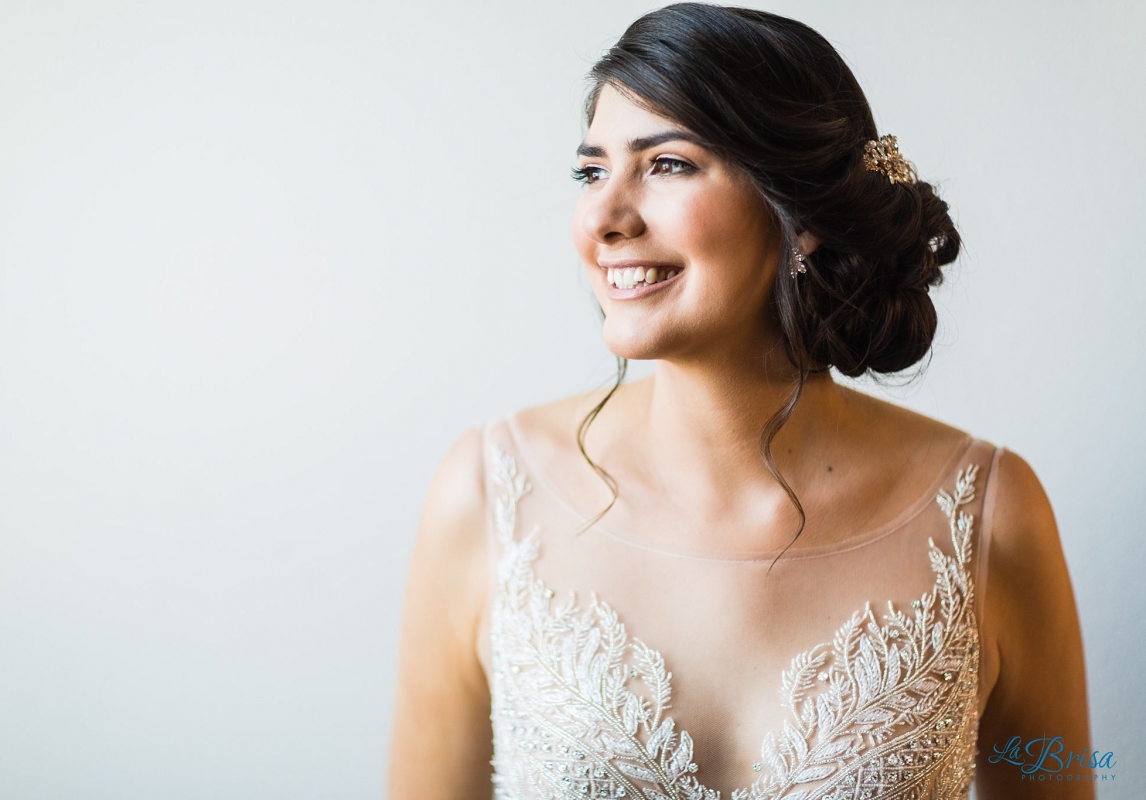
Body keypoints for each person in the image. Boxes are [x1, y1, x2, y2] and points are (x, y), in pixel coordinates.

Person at [386, 4, 1091, 798]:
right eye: (592, 172)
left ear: (804, 215)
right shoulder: (487, 494)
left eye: (668, 165)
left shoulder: (993, 515)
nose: (605, 219)